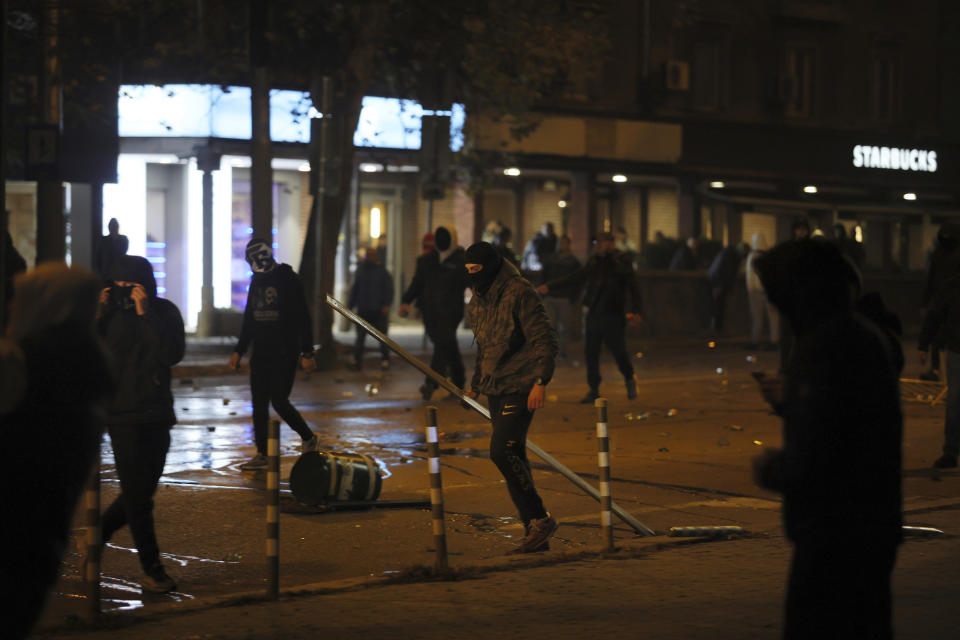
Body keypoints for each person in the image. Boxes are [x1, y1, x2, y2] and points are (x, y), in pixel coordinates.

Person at [752, 240, 902, 639]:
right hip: (868, 523)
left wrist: (772, 469)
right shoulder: (855, 336)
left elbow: (821, 452)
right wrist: (790, 402)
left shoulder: (827, 347)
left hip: (836, 528)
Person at [1, 264, 113, 639]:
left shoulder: (25, 366)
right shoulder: (85, 364)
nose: (14, 306)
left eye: (22, 298)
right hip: (37, 547)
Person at [463, 241, 560, 554]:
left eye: (476, 271)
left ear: (490, 266)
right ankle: (534, 529)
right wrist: (476, 384)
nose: (472, 277)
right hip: (495, 386)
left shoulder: (520, 292)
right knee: (514, 453)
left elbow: (543, 337)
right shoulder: (478, 301)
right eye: (468, 272)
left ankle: (539, 518)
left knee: (501, 452)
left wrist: (541, 381)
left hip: (522, 383)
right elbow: (485, 346)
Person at [97, 255, 186, 593]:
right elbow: (85, 355)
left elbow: (171, 354)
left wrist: (146, 314)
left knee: (141, 493)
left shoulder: (163, 312)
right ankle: (153, 569)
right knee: (138, 498)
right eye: (116, 285)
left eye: (129, 285)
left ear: (145, 285)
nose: (122, 292)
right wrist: (97, 315)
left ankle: (99, 532)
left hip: (157, 413)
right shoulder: (105, 317)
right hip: (121, 417)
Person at [230, 239, 319, 470]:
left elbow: (303, 319)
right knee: (258, 403)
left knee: (279, 400)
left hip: (284, 350)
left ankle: (308, 437)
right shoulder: (256, 281)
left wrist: (307, 352)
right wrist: (239, 350)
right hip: (261, 351)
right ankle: (262, 454)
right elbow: (249, 318)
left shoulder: (288, 279)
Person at [538, 231, 643, 403]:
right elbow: (577, 276)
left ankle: (629, 377)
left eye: (604, 243)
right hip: (595, 312)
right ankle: (593, 389)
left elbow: (633, 287)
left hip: (613, 314)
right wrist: (550, 286)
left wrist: (636, 311)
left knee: (618, 351)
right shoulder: (594, 261)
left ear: (611, 243)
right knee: (591, 353)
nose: (600, 246)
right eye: (598, 243)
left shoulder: (621, 261)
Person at [399, 225, 468, 401]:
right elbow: (417, 283)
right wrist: (406, 301)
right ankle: (459, 384)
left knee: (443, 343)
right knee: (447, 346)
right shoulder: (426, 261)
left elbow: (475, 283)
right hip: (430, 312)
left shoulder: (461, 261)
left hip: (451, 312)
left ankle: (431, 383)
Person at [918, 249, 960, 469]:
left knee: (955, 401)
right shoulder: (952, 286)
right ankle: (951, 451)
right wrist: (924, 344)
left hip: (955, 347)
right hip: (957, 349)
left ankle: (951, 450)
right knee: (954, 401)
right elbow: (936, 315)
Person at [919, 222, 960, 381]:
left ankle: (937, 369)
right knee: (940, 337)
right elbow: (931, 278)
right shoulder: (940, 254)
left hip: (946, 300)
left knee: (943, 336)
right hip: (944, 300)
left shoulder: (940, 254)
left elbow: (931, 278)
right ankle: (936, 369)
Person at [348, 247, 393, 370]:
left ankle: (385, 360)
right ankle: (357, 362)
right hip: (364, 309)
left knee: (382, 338)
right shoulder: (361, 271)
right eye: (369, 255)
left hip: (378, 310)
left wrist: (386, 304)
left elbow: (388, 289)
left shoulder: (382, 272)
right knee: (360, 338)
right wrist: (350, 305)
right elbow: (355, 289)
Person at [541, 235, 582, 359]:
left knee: (564, 327)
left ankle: (562, 351)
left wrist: (573, 297)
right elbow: (544, 276)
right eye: (560, 243)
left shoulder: (573, 262)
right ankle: (552, 350)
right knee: (551, 326)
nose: (561, 245)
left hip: (564, 298)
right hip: (551, 297)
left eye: (564, 243)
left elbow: (577, 282)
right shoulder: (551, 260)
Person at [745, 232, 779, 350]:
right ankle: (774, 341)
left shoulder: (751, 257)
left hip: (755, 292)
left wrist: (751, 289)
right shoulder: (769, 256)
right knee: (773, 318)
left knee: (757, 317)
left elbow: (750, 277)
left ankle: (755, 341)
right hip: (768, 291)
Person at [706, 242, 748, 334]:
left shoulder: (727, 253)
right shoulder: (731, 257)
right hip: (718, 283)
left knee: (717, 306)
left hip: (715, 281)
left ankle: (716, 329)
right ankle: (716, 330)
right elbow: (726, 272)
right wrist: (720, 285)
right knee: (718, 307)